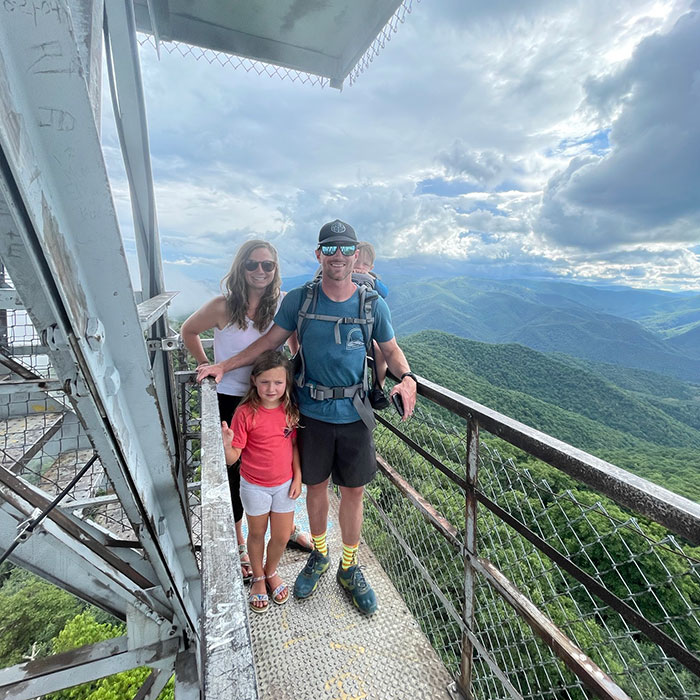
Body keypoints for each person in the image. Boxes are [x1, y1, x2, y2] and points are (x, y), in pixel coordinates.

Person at [197, 219, 418, 616]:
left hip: (353, 414)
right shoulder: (300, 299)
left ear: (356, 256)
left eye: (346, 249)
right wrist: (224, 365)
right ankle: (320, 555)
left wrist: (408, 378)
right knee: (315, 488)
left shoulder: (373, 305)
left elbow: (392, 348)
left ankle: (349, 566)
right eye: (330, 249)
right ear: (318, 255)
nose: (338, 257)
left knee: (353, 492)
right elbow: (269, 343)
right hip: (310, 413)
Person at [181, 240, 310, 583]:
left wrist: (296, 371)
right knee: (236, 469)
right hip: (231, 397)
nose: (260, 272)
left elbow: (293, 339)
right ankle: (240, 540)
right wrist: (208, 365)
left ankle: (285, 523)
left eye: (267, 266)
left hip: (271, 396)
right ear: (241, 268)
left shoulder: (281, 305)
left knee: (277, 455)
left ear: (275, 269)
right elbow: (188, 331)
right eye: (252, 265)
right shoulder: (222, 307)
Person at [221, 350, 301, 613]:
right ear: (254, 380)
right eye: (265, 381)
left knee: (279, 535)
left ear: (286, 383)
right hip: (254, 485)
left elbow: (294, 447)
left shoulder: (290, 408)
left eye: (278, 382)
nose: (271, 388)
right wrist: (226, 444)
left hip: (284, 485)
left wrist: (298, 477)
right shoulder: (245, 413)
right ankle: (257, 577)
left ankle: (270, 571)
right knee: (256, 533)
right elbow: (234, 457)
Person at [353, 241, 389, 392]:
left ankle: (378, 387)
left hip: (366, 332)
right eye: (357, 262)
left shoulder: (372, 280)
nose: (360, 267)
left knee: (380, 352)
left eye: (365, 264)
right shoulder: (343, 276)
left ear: (371, 267)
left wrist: (371, 278)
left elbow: (384, 293)